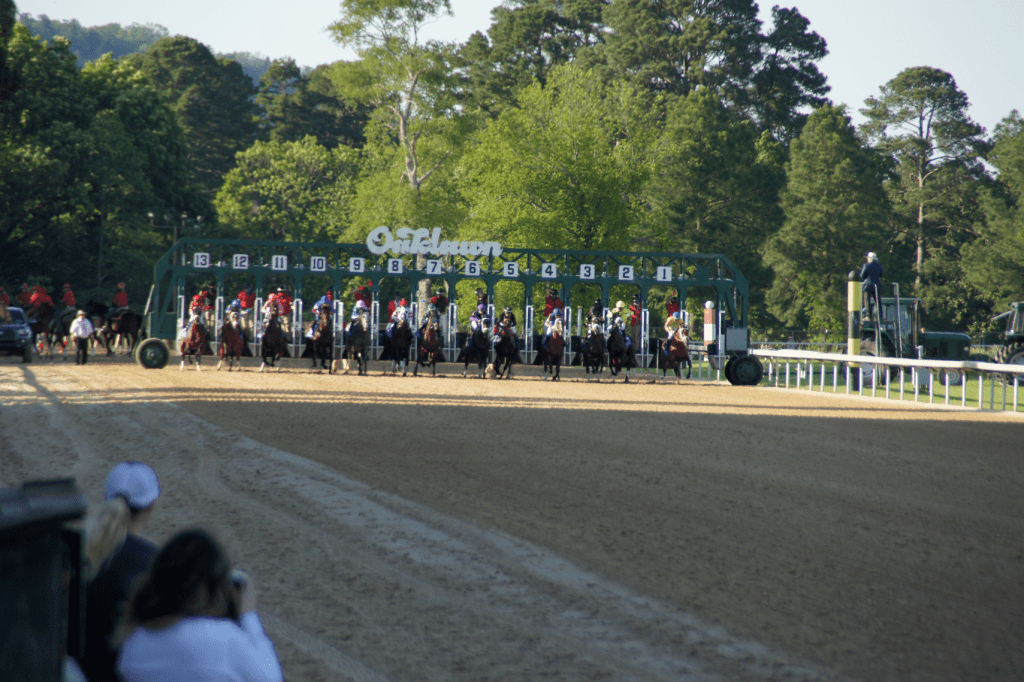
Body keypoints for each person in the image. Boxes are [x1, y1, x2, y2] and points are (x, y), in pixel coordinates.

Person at [115, 528, 283, 682]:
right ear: (215, 584)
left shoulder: (134, 641)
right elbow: (272, 677)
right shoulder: (223, 638)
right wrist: (248, 614)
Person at [79, 462, 162, 682]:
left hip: (72, 671)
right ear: (151, 507)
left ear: (108, 499)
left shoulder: (75, 549)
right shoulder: (155, 562)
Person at [860, 252, 884, 320]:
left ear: (870, 258)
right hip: (877, 286)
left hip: (868, 286)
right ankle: (880, 316)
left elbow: (862, 276)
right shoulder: (879, 266)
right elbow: (881, 275)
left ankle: (868, 316)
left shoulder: (866, 265)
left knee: (867, 301)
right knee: (878, 301)